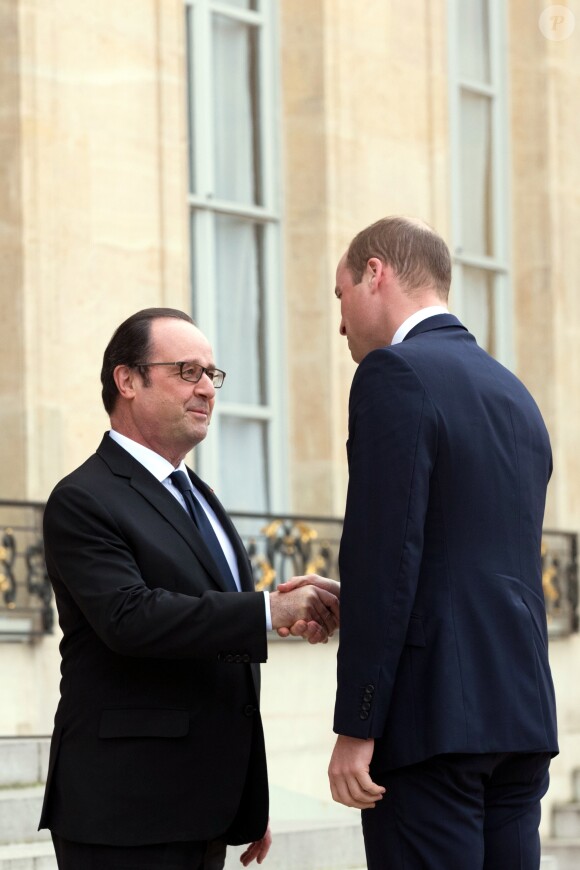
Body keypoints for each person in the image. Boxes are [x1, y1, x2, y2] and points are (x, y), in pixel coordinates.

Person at [283, 216, 558, 869]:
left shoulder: (394, 373)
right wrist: (355, 598)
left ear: (375, 274)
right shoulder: (514, 392)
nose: (340, 324)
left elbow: (386, 552)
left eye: (340, 295)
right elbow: (469, 558)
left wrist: (358, 725)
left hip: (431, 719)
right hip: (519, 715)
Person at [38, 307, 339, 870]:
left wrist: (242, 790)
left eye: (211, 374)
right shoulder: (83, 498)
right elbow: (130, 618)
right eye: (187, 371)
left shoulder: (199, 494)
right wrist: (267, 610)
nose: (206, 388)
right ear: (127, 380)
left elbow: (215, 634)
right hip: (125, 813)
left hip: (204, 809)